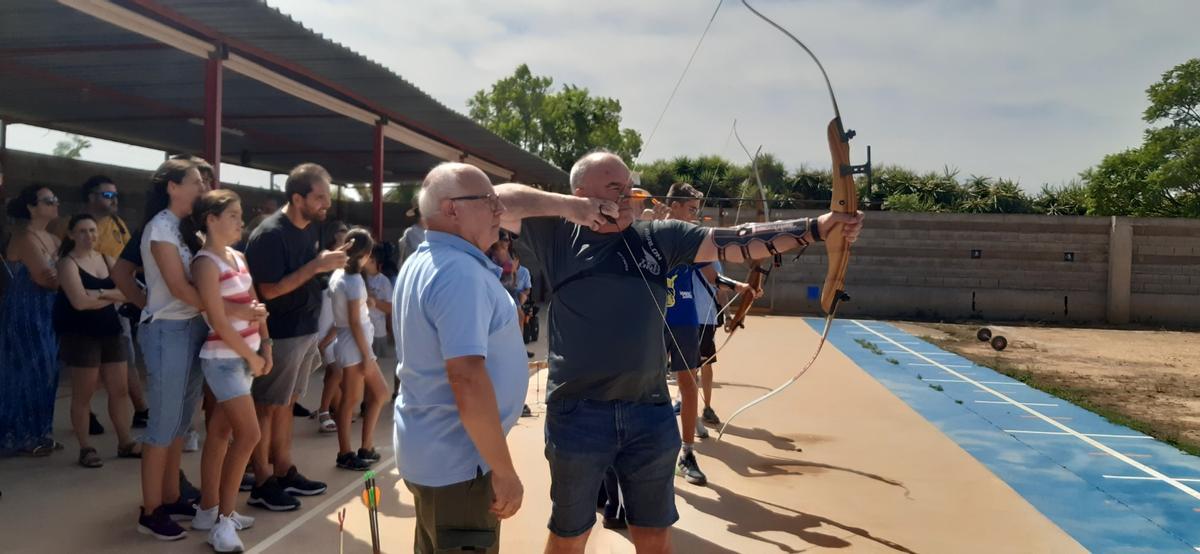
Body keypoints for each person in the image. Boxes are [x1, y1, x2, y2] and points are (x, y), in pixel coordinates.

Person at [494, 150, 862, 553]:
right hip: (578, 413)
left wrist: (816, 228)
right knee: (570, 533)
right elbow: (495, 199)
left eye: (627, 187)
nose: (626, 195)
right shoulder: (558, 236)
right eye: (613, 188)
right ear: (582, 193)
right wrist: (569, 207)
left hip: (648, 412)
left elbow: (737, 241)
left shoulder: (658, 237)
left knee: (654, 536)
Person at [392, 163, 532, 553]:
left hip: (438, 455)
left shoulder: (429, 260)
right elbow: (467, 378)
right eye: (488, 201)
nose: (498, 211)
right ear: (451, 208)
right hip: (460, 466)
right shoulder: (458, 273)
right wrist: (503, 471)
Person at [244, 163, 344, 511]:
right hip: (280, 332)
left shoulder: (307, 230)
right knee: (266, 407)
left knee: (286, 404)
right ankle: (262, 481)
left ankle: (284, 470)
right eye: (319, 198)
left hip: (304, 330)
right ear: (297, 197)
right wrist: (317, 266)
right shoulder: (271, 234)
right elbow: (268, 290)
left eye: (326, 198)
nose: (325, 205)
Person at [190, 189, 270, 552]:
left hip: (244, 358)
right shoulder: (205, 262)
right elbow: (217, 318)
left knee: (221, 433)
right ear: (211, 219)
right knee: (249, 436)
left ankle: (209, 510)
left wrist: (265, 345)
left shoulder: (238, 257)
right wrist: (251, 358)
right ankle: (223, 522)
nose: (241, 222)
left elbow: (255, 304)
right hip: (224, 361)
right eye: (234, 215)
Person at [134, 158, 209, 540]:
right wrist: (224, 307)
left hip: (192, 327)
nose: (202, 188)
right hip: (167, 331)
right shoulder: (160, 228)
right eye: (195, 182)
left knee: (181, 421)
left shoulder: (187, 229)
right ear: (172, 187)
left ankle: (172, 493)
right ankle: (151, 510)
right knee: (162, 423)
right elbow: (180, 288)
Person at [53, 213, 141, 468]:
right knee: (85, 393)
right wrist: (112, 296)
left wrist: (101, 292)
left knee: (120, 389)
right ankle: (85, 446)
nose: (89, 236)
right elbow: (79, 302)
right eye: (82, 231)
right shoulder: (67, 263)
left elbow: (129, 292)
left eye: (92, 230)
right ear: (71, 235)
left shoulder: (106, 259)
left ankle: (125, 441)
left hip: (110, 330)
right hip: (81, 334)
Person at [81, 174, 150, 431]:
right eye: (108, 195)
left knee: (122, 356)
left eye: (116, 195)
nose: (114, 200)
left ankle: (141, 408)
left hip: (118, 300)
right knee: (86, 363)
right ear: (91, 197)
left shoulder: (118, 224)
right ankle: (86, 412)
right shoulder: (74, 226)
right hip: (87, 302)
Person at [0, 185, 62, 457]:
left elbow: (58, 277)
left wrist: (62, 278)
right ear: (31, 207)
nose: (55, 204)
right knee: (27, 373)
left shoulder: (53, 238)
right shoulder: (24, 238)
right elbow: (43, 278)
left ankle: (41, 432)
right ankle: (21, 434)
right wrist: (65, 278)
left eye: (55, 199)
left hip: (49, 312)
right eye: (48, 201)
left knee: (49, 372)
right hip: (25, 314)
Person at [330, 229, 388, 471]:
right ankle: (345, 452)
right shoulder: (352, 280)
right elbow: (354, 320)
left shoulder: (338, 274)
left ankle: (366, 446)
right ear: (365, 254)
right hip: (355, 345)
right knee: (351, 401)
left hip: (353, 343)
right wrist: (366, 355)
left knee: (380, 393)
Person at [315, 221, 349, 434]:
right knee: (335, 371)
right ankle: (324, 411)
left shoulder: (348, 271)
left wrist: (331, 335)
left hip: (334, 332)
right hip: (317, 331)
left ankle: (329, 409)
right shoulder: (318, 266)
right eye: (343, 231)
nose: (346, 236)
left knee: (335, 372)